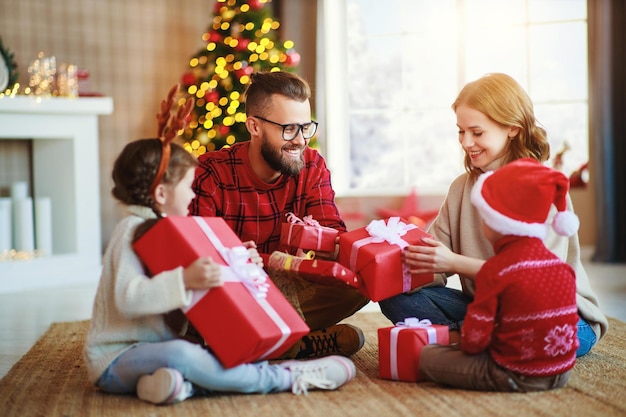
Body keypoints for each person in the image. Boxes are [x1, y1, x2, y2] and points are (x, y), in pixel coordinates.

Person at [83, 94, 356, 406]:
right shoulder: (129, 232)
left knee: (185, 362)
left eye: (304, 128)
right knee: (184, 354)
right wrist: (186, 280)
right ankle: (285, 376)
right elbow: (129, 300)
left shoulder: (170, 230)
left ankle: (180, 386)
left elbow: (198, 296)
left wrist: (238, 262)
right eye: (187, 186)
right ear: (160, 193)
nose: (191, 194)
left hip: (154, 354)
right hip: (114, 358)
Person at [379, 73, 608, 357]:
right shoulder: (462, 188)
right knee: (394, 297)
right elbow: (432, 263)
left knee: (551, 331)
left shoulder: (541, 185)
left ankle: (462, 339)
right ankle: (481, 339)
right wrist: (388, 267)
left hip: (555, 314)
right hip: (489, 311)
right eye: (461, 131)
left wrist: (455, 262)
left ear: (511, 129)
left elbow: (535, 279)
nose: (465, 142)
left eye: (477, 132)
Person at [190, 71, 369, 359]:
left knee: (360, 281)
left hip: (286, 285)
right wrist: (236, 260)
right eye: (288, 129)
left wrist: (321, 244)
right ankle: (295, 344)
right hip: (235, 291)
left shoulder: (311, 165)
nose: (300, 141)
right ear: (254, 126)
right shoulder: (211, 173)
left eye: (306, 127)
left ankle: (268, 342)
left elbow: (334, 234)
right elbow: (197, 260)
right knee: (200, 310)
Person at [418, 158, 580, 392]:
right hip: (562, 372)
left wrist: (464, 345)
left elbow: (474, 341)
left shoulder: (497, 270)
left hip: (514, 374)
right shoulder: (560, 267)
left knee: (427, 357)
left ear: (497, 223)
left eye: (485, 217)